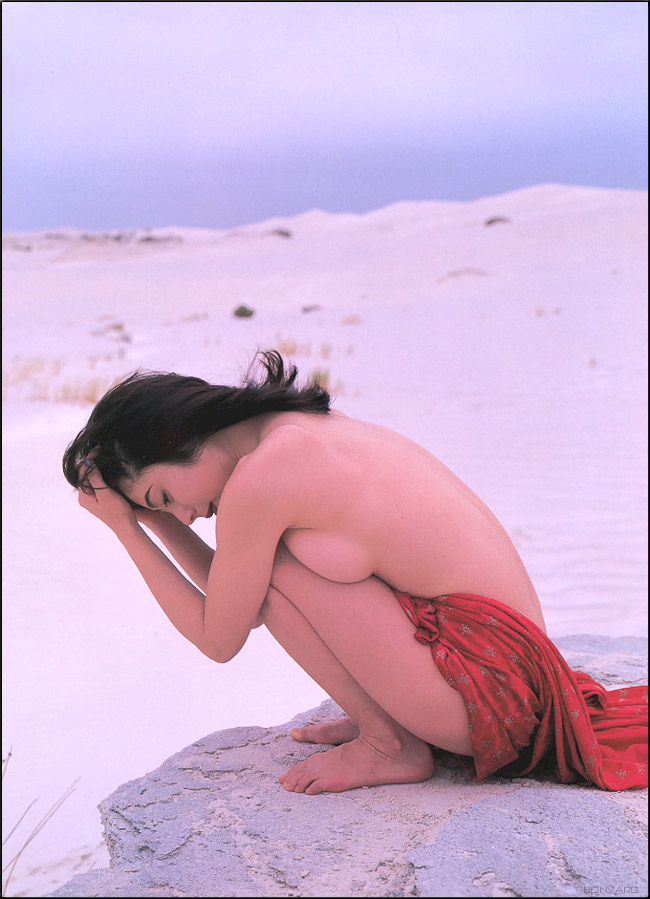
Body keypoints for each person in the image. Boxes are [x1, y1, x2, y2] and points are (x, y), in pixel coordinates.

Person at [62, 350, 648, 794]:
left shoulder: (262, 482)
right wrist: (149, 517)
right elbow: (233, 593)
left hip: (492, 695)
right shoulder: (294, 428)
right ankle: (392, 716)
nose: (186, 515)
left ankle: (389, 744)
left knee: (276, 571)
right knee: (268, 569)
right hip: (517, 672)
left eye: (166, 495)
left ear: (178, 436)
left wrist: (127, 530)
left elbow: (221, 636)